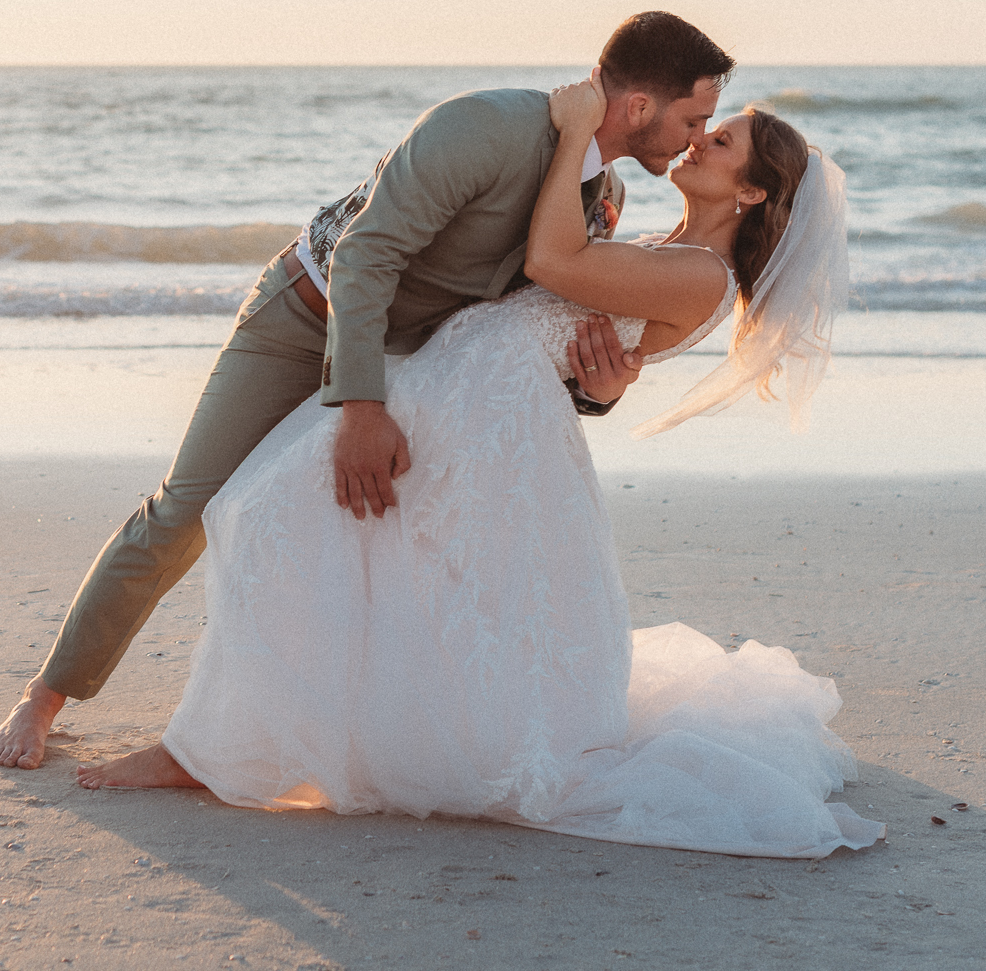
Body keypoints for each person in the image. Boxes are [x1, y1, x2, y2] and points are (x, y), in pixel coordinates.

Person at [75, 82, 883, 861]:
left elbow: (551, 257)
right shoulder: (663, 247)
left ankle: (209, 749)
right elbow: (576, 335)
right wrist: (600, 380)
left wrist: (573, 132)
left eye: (722, 138)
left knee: (279, 518)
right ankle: (233, 741)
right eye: (706, 123)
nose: (701, 139)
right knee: (318, 540)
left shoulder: (702, 276)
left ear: (748, 193)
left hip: (479, 416)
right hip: (464, 397)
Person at [0, 13, 736, 769]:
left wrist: (597, 393)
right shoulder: (482, 127)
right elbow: (363, 255)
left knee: (367, 542)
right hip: (303, 318)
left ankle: (311, 739)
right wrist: (362, 407)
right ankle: (46, 695)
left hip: (412, 361)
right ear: (640, 107)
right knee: (188, 510)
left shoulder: (602, 198)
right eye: (693, 118)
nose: (693, 138)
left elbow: (518, 328)